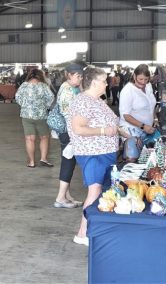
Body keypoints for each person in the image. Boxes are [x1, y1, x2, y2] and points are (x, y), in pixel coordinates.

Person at [68, 67, 119, 246]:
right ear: (95, 82)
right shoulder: (83, 101)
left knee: (100, 192)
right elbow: (78, 128)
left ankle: (93, 230)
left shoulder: (97, 100)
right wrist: (105, 131)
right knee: (94, 191)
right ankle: (82, 233)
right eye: (105, 81)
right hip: (93, 154)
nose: (107, 84)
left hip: (104, 153)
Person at [53, 63, 84, 209]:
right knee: (68, 162)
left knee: (70, 163)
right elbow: (67, 116)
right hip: (68, 132)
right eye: (78, 76)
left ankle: (67, 195)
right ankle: (60, 198)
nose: (80, 79)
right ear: (69, 75)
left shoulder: (74, 88)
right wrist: (74, 135)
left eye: (81, 76)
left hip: (72, 130)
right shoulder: (66, 91)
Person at [15, 69, 54, 168]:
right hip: (41, 116)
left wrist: (25, 106)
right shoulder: (43, 86)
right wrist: (45, 106)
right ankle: (43, 159)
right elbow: (51, 97)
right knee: (44, 137)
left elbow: (17, 97)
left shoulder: (24, 85)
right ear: (41, 76)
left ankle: (32, 162)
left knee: (30, 139)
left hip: (27, 115)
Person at [119, 64, 158, 161]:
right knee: (133, 160)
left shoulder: (148, 86)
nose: (143, 82)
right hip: (132, 131)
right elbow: (125, 115)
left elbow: (151, 105)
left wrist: (155, 118)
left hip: (147, 130)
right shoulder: (128, 90)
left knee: (150, 159)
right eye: (140, 79)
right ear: (134, 76)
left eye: (146, 79)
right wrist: (143, 126)